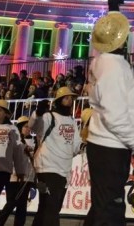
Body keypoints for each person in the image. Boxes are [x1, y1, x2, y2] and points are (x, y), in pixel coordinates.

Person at [85, 11, 134, 226]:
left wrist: (113, 10)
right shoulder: (114, 67)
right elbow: (115, 116)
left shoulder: (101, 62)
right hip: (111, 145)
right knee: (111, 209)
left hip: (103, 143)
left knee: (102, 205)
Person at [32, 86, 83, 226]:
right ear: (59, 100)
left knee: (47, 207)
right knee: (52, 208)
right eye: (66, 98)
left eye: (71, 98)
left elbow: (76, 144)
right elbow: (35, 128)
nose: (70, 100)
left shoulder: (72, 121)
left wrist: (82, 147)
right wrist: (38, 113)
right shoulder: (49, 116)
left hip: (63, 169)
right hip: (47, 167)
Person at [0, 115, 35, 226]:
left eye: (29, 127)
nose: (28, 129)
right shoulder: (14, 140)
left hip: (27, 178)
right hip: (14, 176)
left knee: (22, 206)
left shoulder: (34, 141)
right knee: (11, 203)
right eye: (25, 126)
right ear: (20, 127)